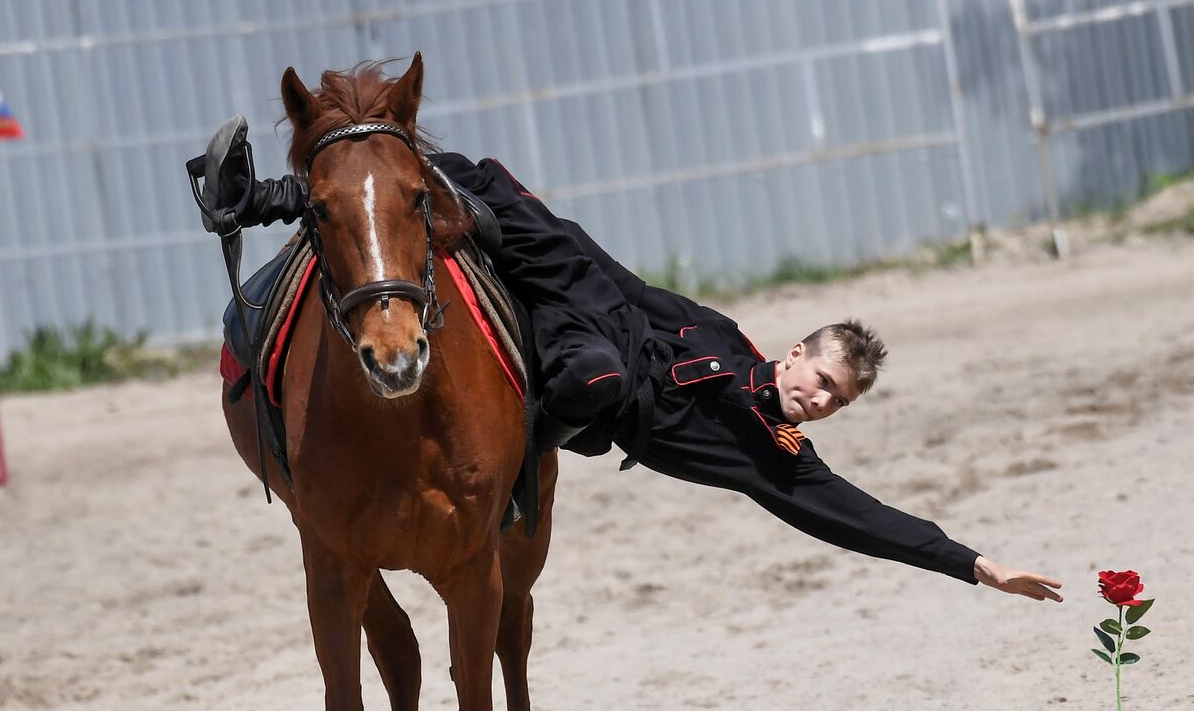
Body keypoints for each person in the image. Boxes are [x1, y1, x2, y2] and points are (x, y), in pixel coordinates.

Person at [199, 131, 1063, 602]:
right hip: (595, 293)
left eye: (834, 401)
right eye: (822, 380)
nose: (820, 400)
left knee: (598, 381)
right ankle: (266, 199)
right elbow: (642, 297)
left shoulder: (768, 451)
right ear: (797, 352)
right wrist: (557, 251)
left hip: (595, 377)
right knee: (477, 180)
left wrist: (972, 562)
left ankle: (508, 481)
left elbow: (848, 514)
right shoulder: (724, 334)